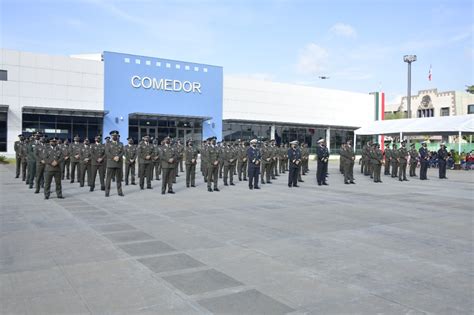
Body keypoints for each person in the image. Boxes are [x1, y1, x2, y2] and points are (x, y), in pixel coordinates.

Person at [105, 130, 124, 197]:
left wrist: (118, 156)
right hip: (111, 163)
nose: (115, 137)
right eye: (113, 136)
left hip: (118, 163)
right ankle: (107, 192)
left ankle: (120, 192)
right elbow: (107, 152)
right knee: (108, 179)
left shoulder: (121, 144)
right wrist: (114, 157)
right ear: (111, 136)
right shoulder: (108, 144)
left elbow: (122, 152)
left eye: (116, 136)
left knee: (118, 179)